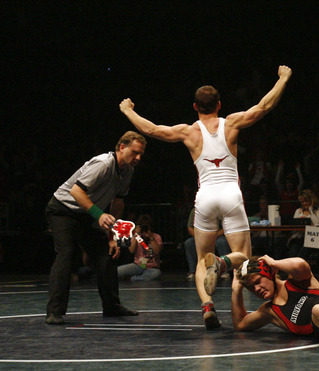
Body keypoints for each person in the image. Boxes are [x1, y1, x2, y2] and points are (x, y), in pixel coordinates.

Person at [120, 65, 293, 329]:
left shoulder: (188, 131)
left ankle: (207, 307)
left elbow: (153, 130)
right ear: (220, 105)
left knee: (202, 259)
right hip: (231, 194)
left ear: (194, 107)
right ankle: (225, 267)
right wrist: (283, 78)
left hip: (205, 197)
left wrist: (128, 110)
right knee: (243, 258)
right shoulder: (232, 122)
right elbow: (263, 106)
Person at [45, 131, 146, 325]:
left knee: (106, 254)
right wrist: (98, 215)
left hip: (85, 214)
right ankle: (54, 312)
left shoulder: (127, 171)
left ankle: (112, 307)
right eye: (135, 152)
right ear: (122, 147)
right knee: (66, 253)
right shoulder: (103, 163)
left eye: (141, 154)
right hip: (62, 210)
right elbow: (76, 190)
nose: (138, 158)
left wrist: (113, 237)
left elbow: (118, 203)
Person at [184, 207, 231, 281]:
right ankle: (192, 271)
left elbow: (226, 227)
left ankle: (224, 271)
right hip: (201, 236)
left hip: (217, 236)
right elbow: (190, 228)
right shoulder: (195, 211)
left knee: (222, 242)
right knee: (189, 243)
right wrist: (200, 237)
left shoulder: (221, 210)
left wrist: (214, 236)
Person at [117, 215, 164, 282]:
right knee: (117, 271)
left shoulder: (156, 237)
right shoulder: (136, 236)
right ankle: (137, 277)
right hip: (137, 265)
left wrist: (151, 238)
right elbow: (131, 250)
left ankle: (133, 278)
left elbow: (157, 251)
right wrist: (136, 235)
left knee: (156, 274)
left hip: (152, 267)